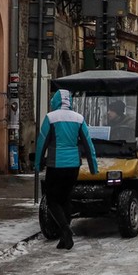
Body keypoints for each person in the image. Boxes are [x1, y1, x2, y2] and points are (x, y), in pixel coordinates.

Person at [36, 89, 98, 250]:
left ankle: (65, 229)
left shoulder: (51, 118)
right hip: (73, 166)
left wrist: (37, 164)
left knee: (52, 200)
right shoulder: (79, 118)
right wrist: (93, 167)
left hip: (56, 165)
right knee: (65, 198)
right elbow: (88, 144)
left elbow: (42, 142)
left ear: (55, 101)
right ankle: (65, 238)